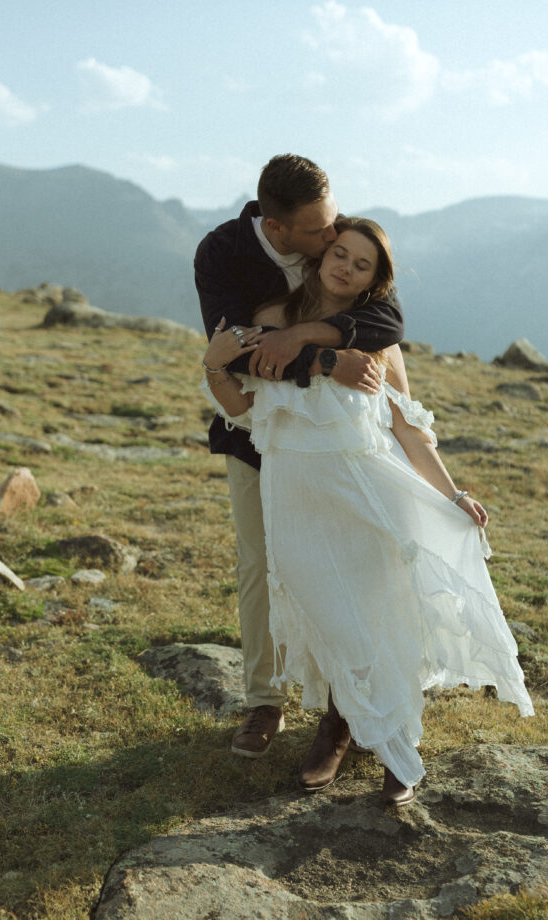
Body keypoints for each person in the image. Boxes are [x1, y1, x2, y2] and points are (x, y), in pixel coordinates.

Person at [201, 216, 534, 806]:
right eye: (341, 254)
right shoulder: (274, 319)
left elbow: (407, 427)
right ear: (322, 253)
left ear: (371, 283)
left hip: (366, 491)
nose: (346, 268)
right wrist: (213, 365)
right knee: (331, 620)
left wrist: (453, 494)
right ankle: (341, 723)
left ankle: (397, 749)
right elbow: (246, 410)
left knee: (381, 618)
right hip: (296, 500)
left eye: (362, 265)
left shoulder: (376, 337)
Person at [194, 155, 404, 758]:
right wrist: (327, 361)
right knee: (261, 565)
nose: (333, 238)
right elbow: (233, 352)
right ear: (277, 227)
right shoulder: (223, 254)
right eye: (319, 231)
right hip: (257, 432)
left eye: (333, 222)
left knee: (348, 564)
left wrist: (305, 337)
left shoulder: (336, 246)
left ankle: (345, 702)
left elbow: (386, 315)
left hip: (339, 442)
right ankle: (264, 700)